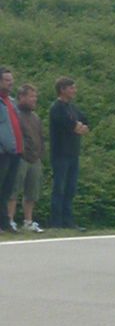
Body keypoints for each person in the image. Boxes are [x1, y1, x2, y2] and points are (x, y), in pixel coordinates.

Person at [48, 76, 89, 231]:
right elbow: (69, 125)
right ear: (62, 89)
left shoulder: (73, 108)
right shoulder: (56, 108)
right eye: (71, 87)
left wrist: (80, 126)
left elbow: (84, 121)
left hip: (73, 153)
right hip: (60, 153)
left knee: (70, 188)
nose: (74, 90)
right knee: (59, 187)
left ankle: (68, 221)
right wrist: (77, 126)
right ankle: (56, 222)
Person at [11, 84, 44, 233]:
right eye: (31, 96)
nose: (34, 99)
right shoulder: (15, 114)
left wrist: (40, 153)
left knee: (32, 192)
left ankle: (28, 221)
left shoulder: (35, 117)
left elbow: (40, 136)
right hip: (20, 157)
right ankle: (9, 220)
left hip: (35, 158)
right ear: (21, 97)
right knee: (13, 189)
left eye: (35, 96)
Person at [0, 66, 23, 233]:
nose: (11, 83)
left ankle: (5, 222)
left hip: (15, 152)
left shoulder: (11, 102)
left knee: (7, 189)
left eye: (11, 80)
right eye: (7, 80)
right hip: (3, 152)